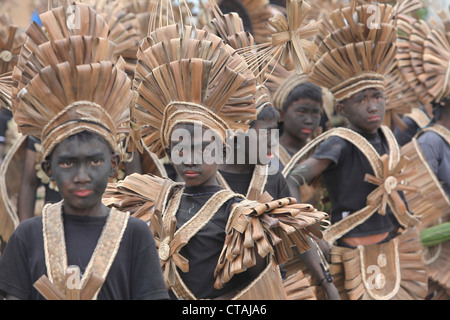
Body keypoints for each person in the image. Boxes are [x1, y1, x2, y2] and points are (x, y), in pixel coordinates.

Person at [0, 3, 168, 300]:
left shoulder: (135, 236)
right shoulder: (27, 237)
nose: (81, 176)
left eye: (94, 161)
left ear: (114, 163)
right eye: (68, 163)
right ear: (49, 169)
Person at [286, 2, 428, 300]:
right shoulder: (339, 143)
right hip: (349, 253)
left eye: (377, 96)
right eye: (361, 100)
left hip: (392, 249)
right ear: (342, 109)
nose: (372, 105)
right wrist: (302, 226)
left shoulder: (389, 137)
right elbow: (293, 179)